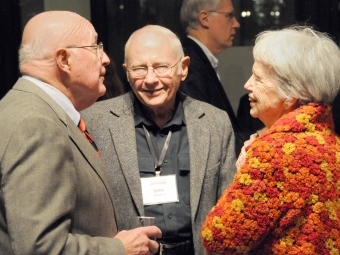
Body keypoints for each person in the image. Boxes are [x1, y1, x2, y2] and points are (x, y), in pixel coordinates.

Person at [0, 11, 161, 255]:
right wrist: (119, 249)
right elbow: (40, 248)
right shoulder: (36, 124)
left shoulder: (31, 109)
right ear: (64, 60)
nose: (106, 59)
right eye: (96, 47)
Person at [82, 24, 237, 255]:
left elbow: (228, 208)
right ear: (126, 72)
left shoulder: (215, 123)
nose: (151, 79)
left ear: (183, 68)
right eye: (140, 69)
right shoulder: (95, 121)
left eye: (161, 67)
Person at [201, 26, 340, 254]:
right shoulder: (330, 141)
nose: (247, 84)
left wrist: (244, 169)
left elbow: (218, 238)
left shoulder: (274, 152)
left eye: (258, 78)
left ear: (290, 95)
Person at [179, 0, 257, 155]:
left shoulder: (200, 59)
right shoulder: (190, 65)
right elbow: (204, 135)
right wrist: (262, 136)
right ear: (204, 18)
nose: (236, 24)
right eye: (229, 16)